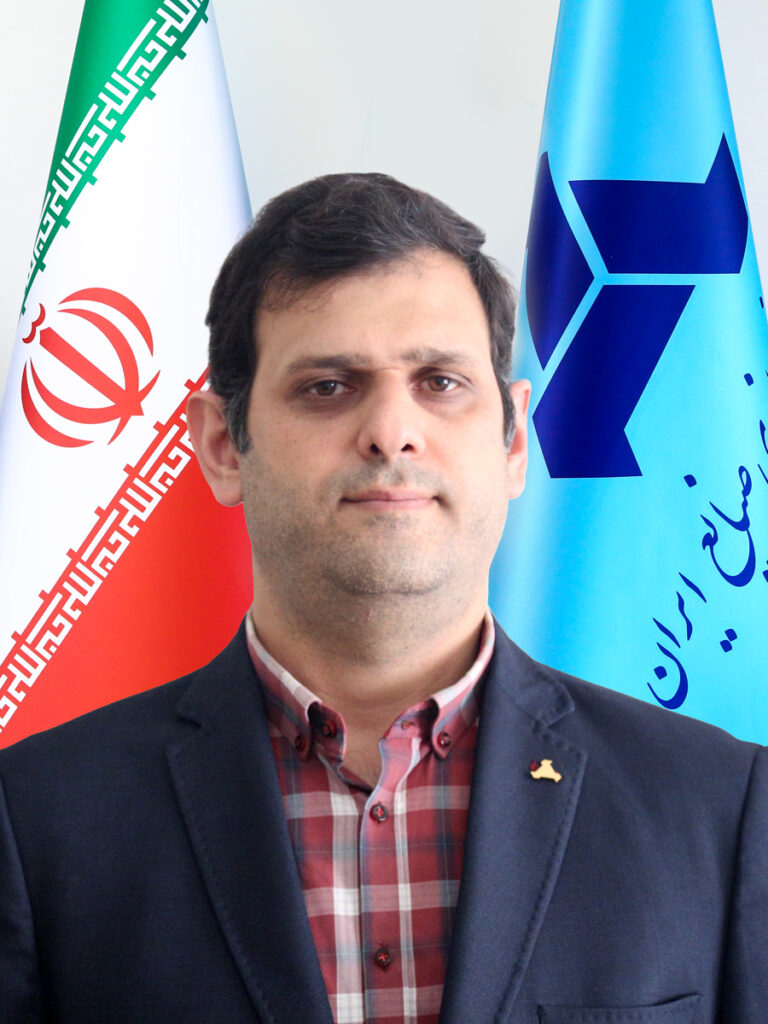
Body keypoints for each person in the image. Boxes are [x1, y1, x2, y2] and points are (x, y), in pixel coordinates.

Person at [0, 173, 766, 1024]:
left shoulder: (720, 808)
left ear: (514, 440)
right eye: (328, 386)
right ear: (222, 445)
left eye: (440, 382)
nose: (392, 432)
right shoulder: (35, 821)